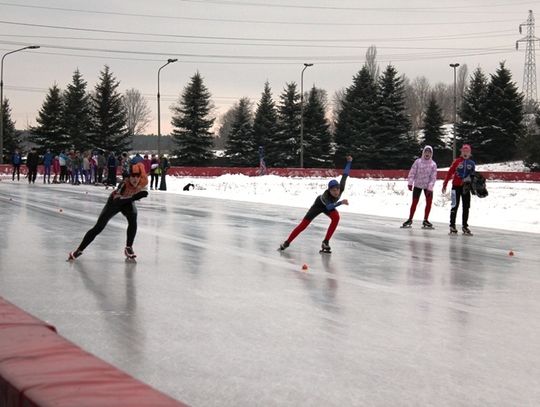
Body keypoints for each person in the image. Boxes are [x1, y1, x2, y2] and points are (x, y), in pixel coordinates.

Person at [68, 162, 149, 261]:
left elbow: (141, 187)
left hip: (127, 202)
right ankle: (79, 250)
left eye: (137, 176)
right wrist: (134, 197)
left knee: (133, 217)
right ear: (129, 176)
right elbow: (116, 201)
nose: (135, 179)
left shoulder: (143, 181)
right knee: (99, 227)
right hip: (114, 202)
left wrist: (136, 195)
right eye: (133, 176)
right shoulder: (124, 184)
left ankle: (129, 247)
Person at [279, 156, 352, 253]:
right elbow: (329, 207)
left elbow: (345, 175)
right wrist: (340, 202)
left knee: (336, 217)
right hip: (319, 205)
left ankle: (325, 242)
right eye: (333, 190)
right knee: (303, 225)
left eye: (337, 189)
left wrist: (349, 162)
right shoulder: (326, 196)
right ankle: (287, 242)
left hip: (329, 206)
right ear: (329, 190)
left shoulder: (341, 187)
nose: (336, 192)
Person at [442, 144, 476, 235]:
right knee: (454, 205)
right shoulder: (456, 161)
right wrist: (445, 183)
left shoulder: (472, 163)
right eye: (464, 151)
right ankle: (452, 225)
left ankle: (465, 226)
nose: (465, 153)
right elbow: (450, 172)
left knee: (466, 207)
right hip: (455, 187)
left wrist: (473, 187)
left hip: (466, 188)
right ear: (461, 152)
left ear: (470, 153)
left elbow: (473, 176)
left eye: (467, 152)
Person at [401, 146, 438, 229]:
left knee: (429, 203)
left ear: (431, 154)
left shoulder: (433, 164)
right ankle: (410, 219)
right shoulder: (418, 162)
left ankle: (426, 220)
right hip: (417, 185)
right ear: (423, 153)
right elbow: (412, 172)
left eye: (429, 152)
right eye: (426, 152)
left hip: (427, 187)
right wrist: (410, 183)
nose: (427, 154)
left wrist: (430, 188)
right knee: (414, 202)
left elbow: (433, 177)